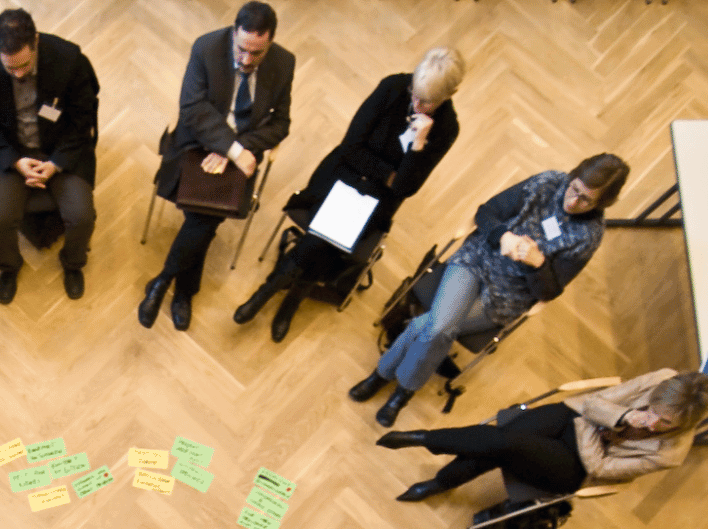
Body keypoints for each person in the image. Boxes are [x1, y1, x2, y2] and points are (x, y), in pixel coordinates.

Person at [351, 153, 631, 426]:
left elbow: (549, 291)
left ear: (603, 203)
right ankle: (402, 393)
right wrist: (504, 236)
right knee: (438, 328)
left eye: (586, 200)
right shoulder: (547, 183)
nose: (573, 201)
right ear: (573, 177)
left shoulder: (589, 236)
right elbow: (487, 213)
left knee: (432, 326)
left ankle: (383, 375)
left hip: (507, 296)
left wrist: (539, 264)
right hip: (476, 261)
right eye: (575, 189)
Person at [234, 48, 464, 342]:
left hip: (377, 201)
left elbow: (407, 188)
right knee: (330, 235)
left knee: (326, 236)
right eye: (414, 94)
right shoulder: (393, 87)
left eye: (426, 101)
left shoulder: (447, 128)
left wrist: (418, 146)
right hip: (341, 176)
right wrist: (389, 174)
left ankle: (268, 292)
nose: (415, 104)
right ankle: (288, 300)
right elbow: (351, 146)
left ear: (451, 94)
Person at [139, 2, 294, 331]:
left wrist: (238, 150)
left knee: (202, 217)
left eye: (257, 54)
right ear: (233, 32)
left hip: (243, 151)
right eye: (242, 50)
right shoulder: (207, 48)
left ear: (271, 42)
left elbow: (280, 124)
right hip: (196, 142)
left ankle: (164, 282)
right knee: (206, 219)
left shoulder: (284, 63)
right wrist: (232, 148)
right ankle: (181, 291)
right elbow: (193, 108)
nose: (247, 61)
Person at [377, 369, 708, 502]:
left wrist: (592, 422)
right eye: (653, 411)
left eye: (664, 422)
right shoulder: (662, 378)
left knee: (506, 442)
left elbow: (602, 469)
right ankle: (437, 470)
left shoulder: (670, 454)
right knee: (503, 442)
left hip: (575, 466)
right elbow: (599, 401)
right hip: (574, 417)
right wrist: (624, 415)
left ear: (682, 424)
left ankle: (427, 442)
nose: (652, 422)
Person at [0, 9, 100, 304]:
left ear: (35, 42)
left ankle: (73, 263)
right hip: (14, 153)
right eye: (10, 69)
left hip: (60, 149)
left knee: (82, 217)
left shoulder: (68, 59)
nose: (19, 74)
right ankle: (9, 265)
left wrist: (57, 163)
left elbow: (82, 120)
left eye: (24, 65)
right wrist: (14, 161)